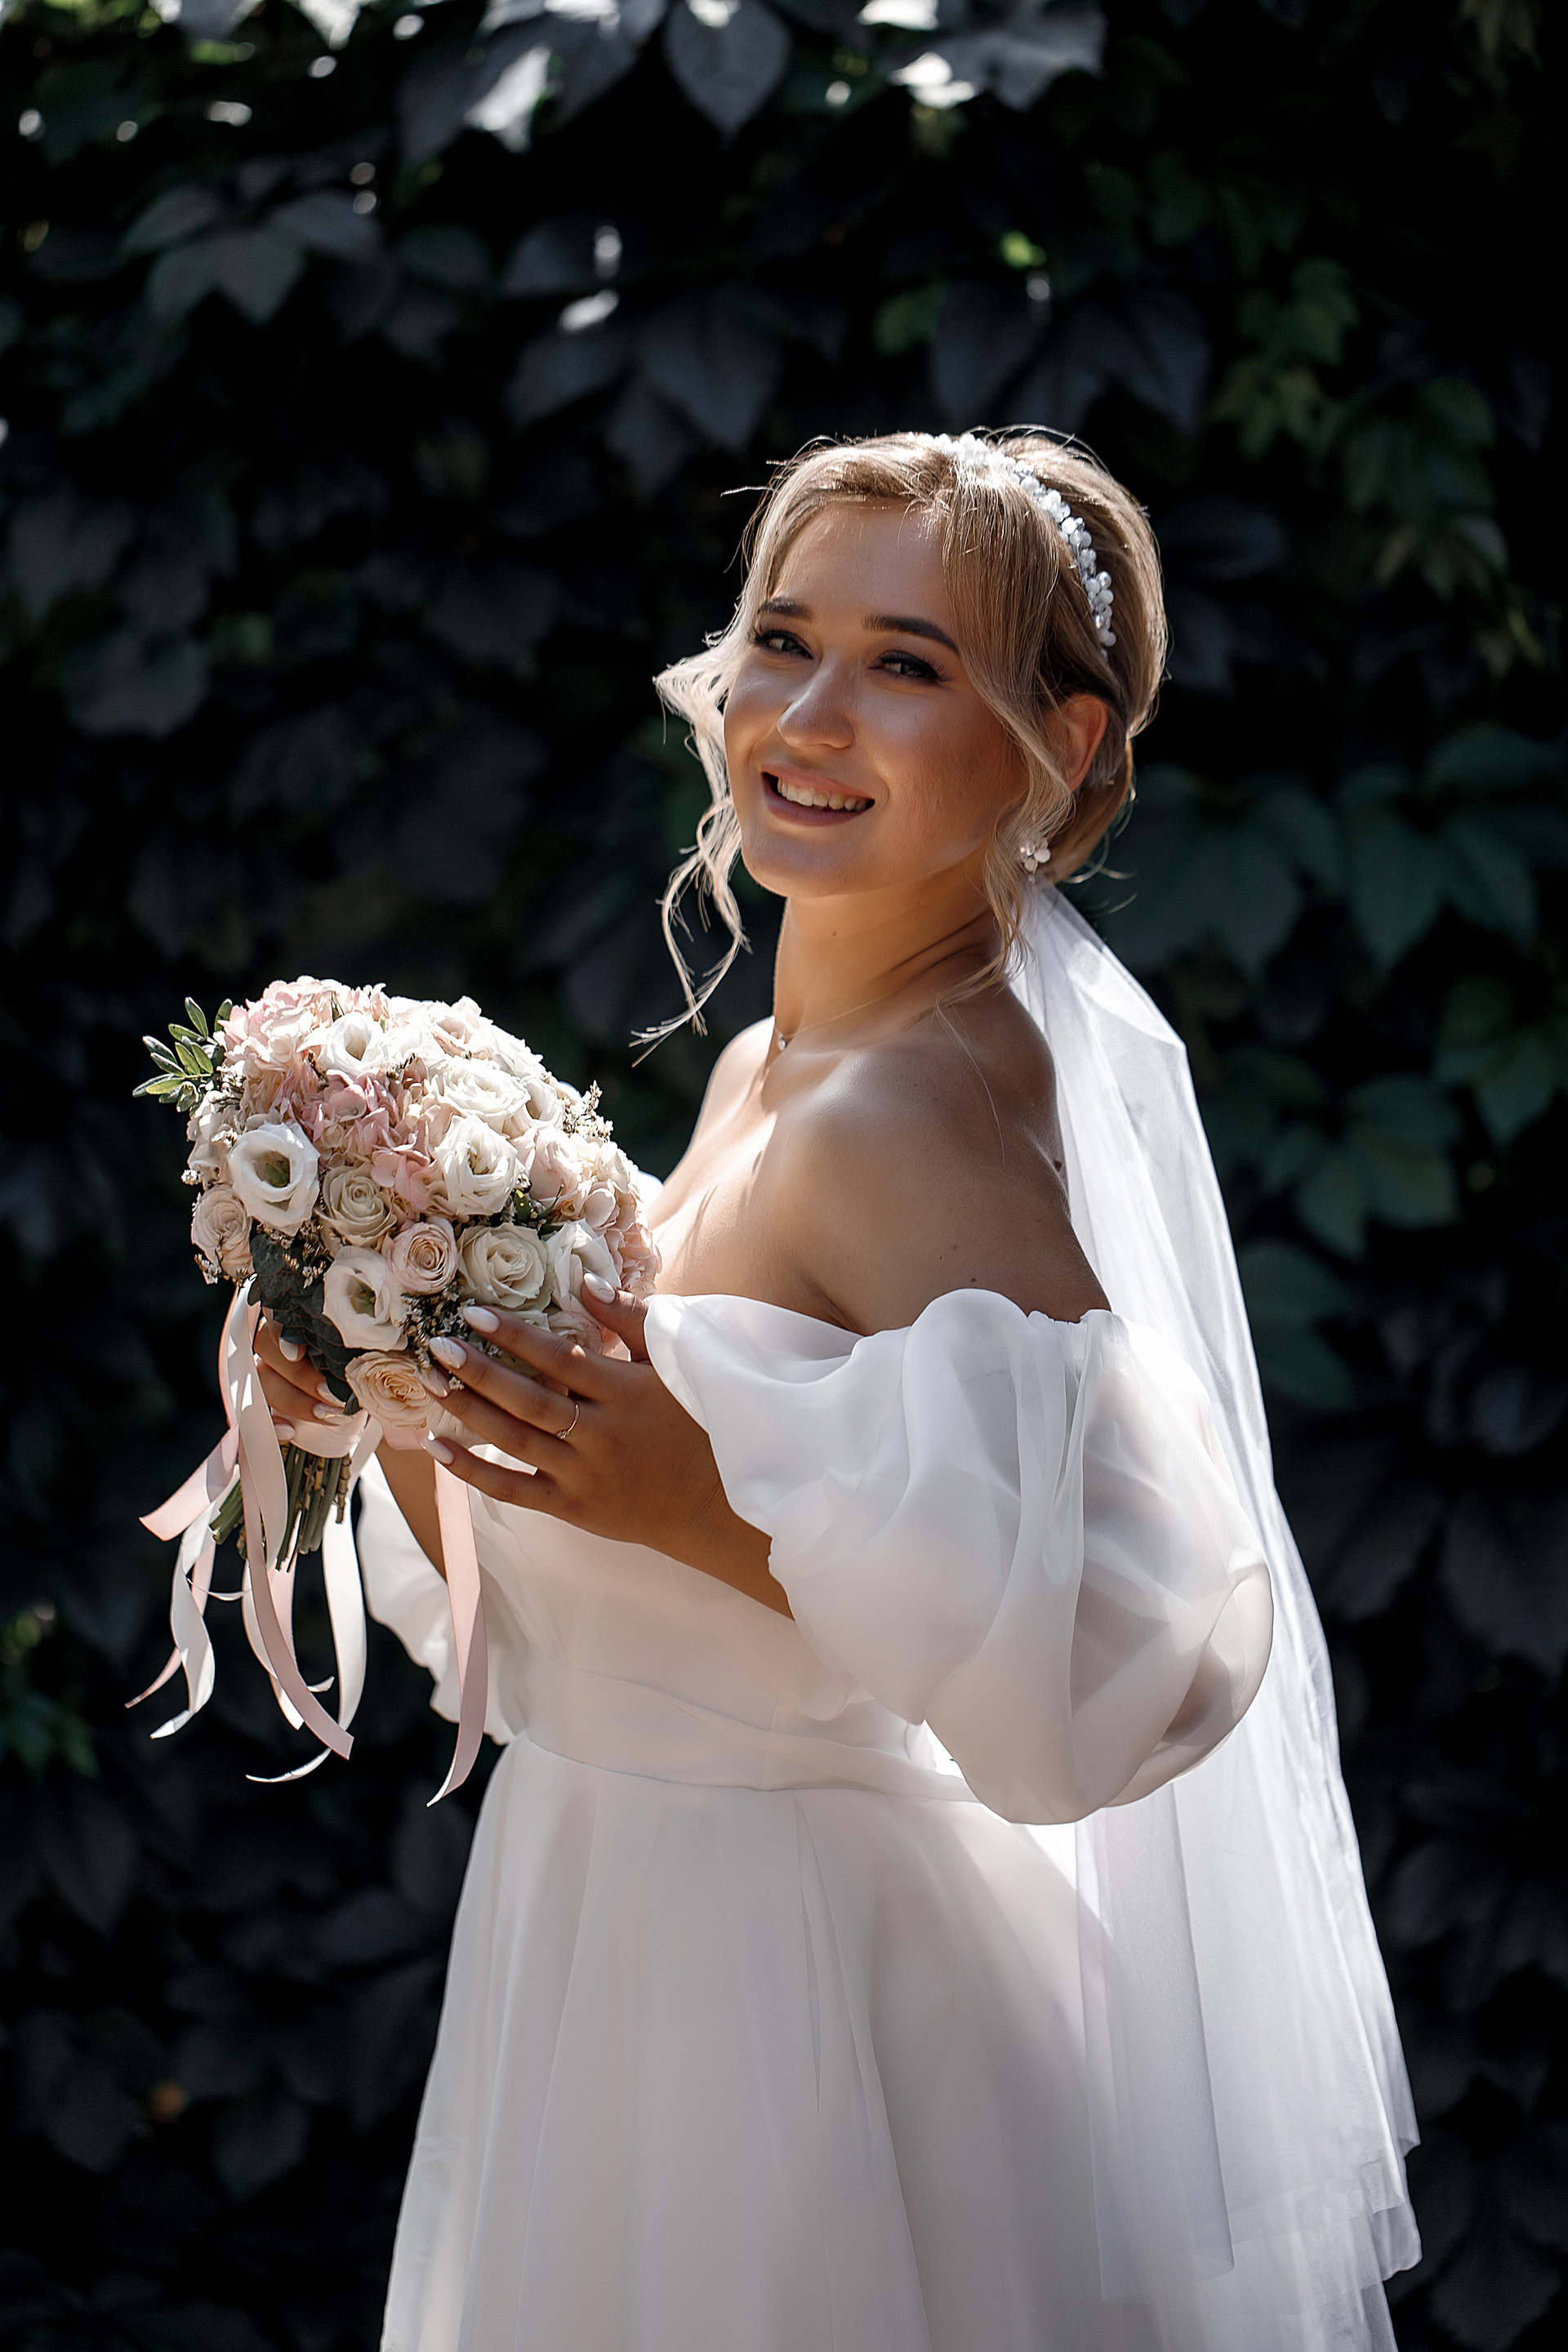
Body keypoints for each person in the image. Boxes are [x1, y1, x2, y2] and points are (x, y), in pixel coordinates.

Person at [255, 430, 1418, 2352]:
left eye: (906, 665)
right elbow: (585, 1611)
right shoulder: (762, 1080)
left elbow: (1145, 1655)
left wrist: (695, 1502)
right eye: (784, 640)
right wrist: (379, 1375)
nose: (806, 715)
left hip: (799, 2016)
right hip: (602, 1934)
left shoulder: (912, 1117)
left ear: (1064, 748)